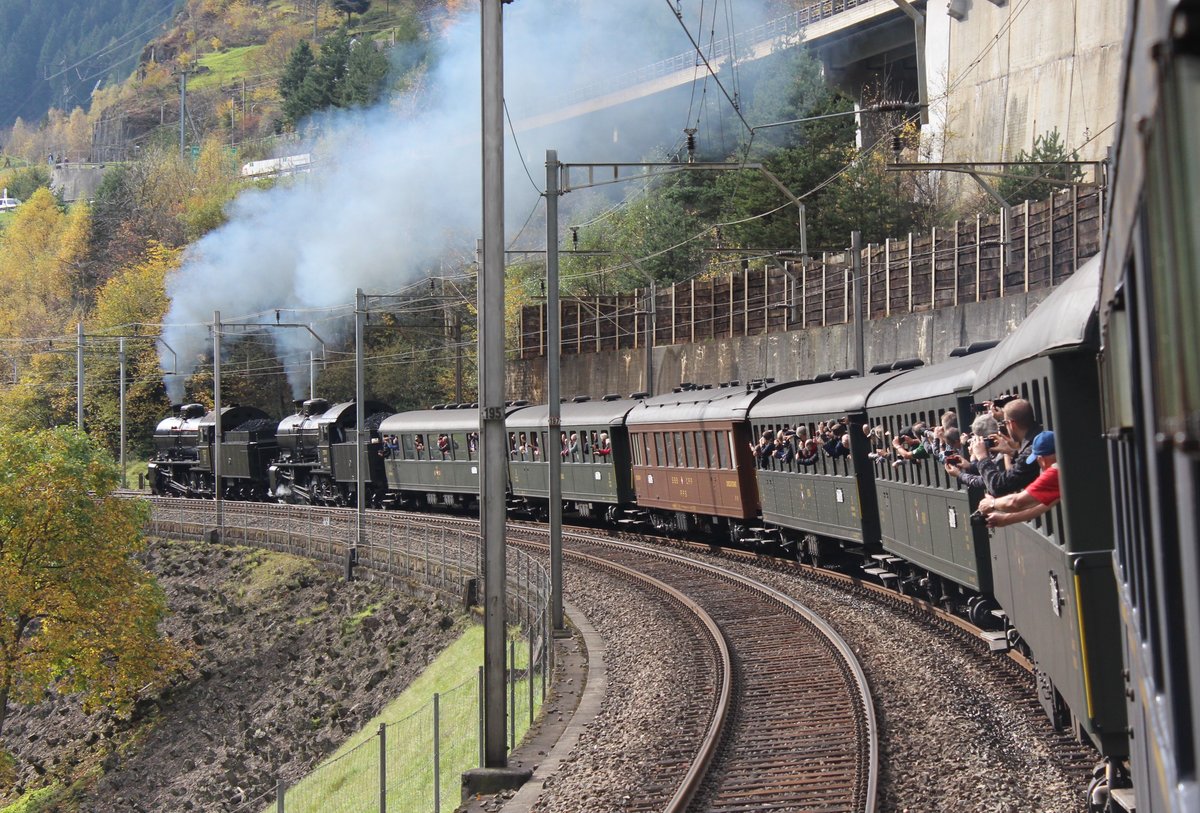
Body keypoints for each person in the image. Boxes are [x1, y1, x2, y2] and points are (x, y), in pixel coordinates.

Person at [977, 431, 1059, 527]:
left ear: (1041, 460)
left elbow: (1016, 502)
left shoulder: (1055, 472)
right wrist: (1006, 519)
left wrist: (991, 503)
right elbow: (1045, 504)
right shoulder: (1067, 466)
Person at [969, 398, 1041, 496]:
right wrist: (1010, 452)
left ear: (1011, 424)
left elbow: (998, 486)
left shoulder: (1033, 448)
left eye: (1005, 423)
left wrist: (982, 458)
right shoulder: (1038, 437)